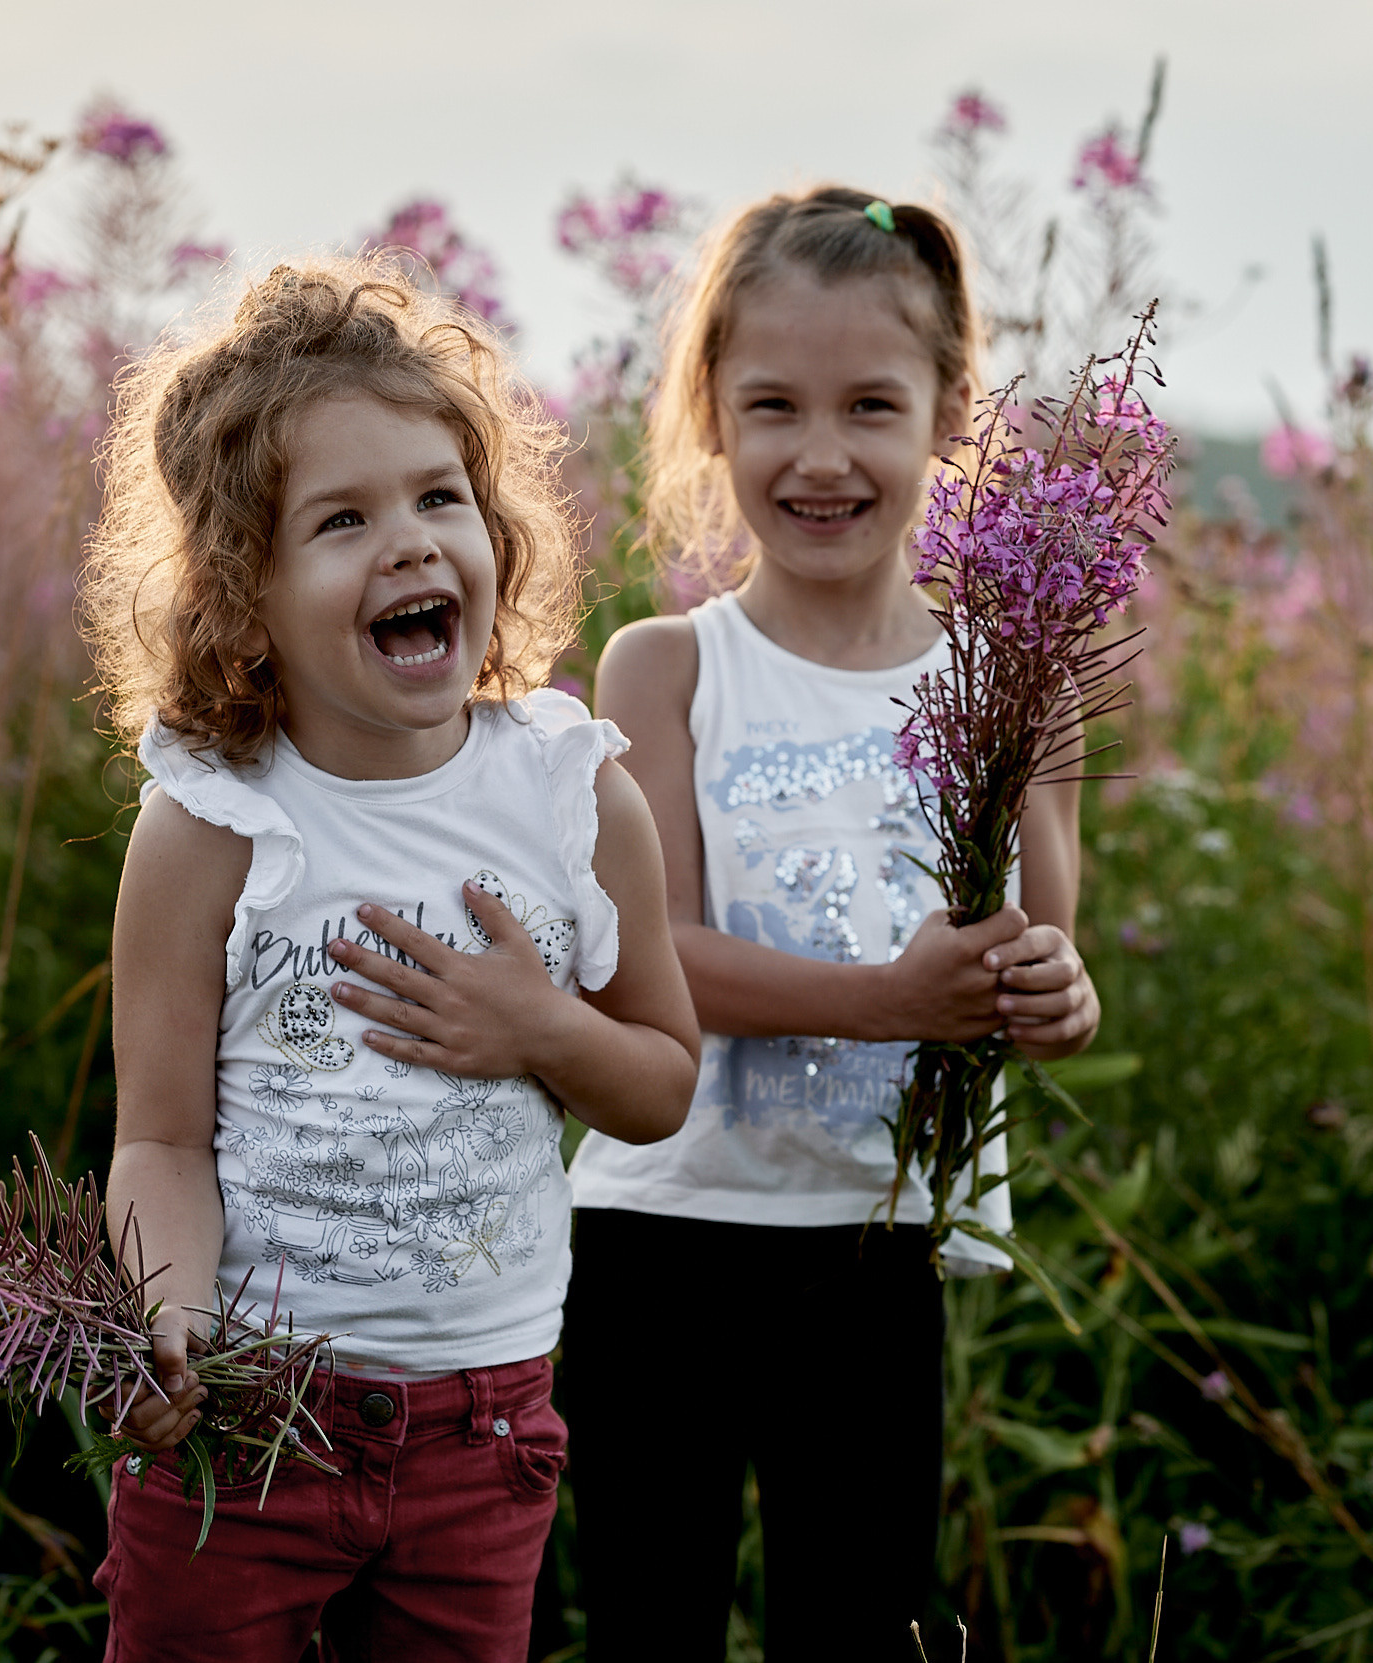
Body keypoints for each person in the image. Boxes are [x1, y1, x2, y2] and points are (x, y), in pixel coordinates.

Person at [78, 255, 701, 1663]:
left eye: (439, 496)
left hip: (481, 1435)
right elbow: (163, 1141)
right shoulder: (211, 828)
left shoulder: (573, 795)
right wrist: (160, 1325)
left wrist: (539, 1030)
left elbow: (661, 1082)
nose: (413, 543)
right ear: (244, 591)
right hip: (240, 1424)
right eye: (342, 519)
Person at [562, 186, 1103, 1659]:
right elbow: (643, 960)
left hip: (876, 1244)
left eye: (872, 404)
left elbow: (1042, 958)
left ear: (947, 414)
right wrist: (891, 1003)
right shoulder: (666, 670)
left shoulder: (1015, 677)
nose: (819, 454)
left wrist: (1055, 997)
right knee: (649, 1623)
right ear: (711, 417)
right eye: (772, 406)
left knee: (857, 1629)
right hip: (658, 1238)